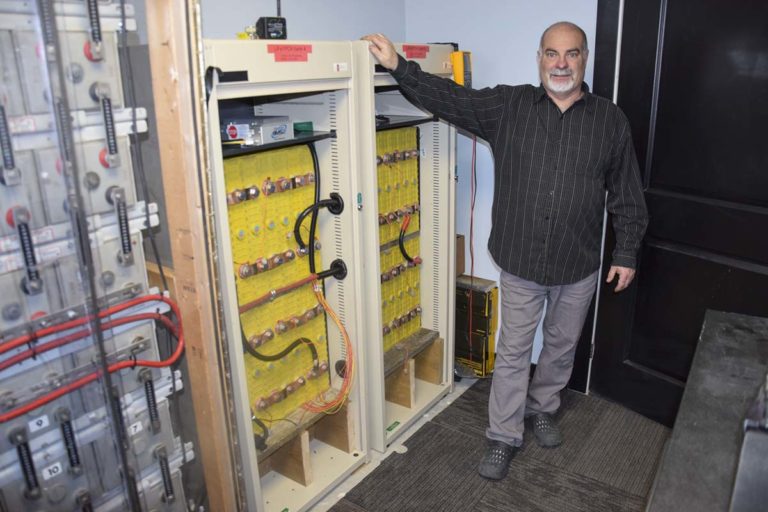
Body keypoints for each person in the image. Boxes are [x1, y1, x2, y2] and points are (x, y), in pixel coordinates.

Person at [364, 22, 648, 481]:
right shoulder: (509, 105)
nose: (561, 64)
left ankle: (542, 409)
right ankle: (502, 436)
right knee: (515, 349)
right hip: (520, 259)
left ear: (585, 58)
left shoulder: (610, 121)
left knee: (560, 346)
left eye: (571, 54)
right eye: (552, 54)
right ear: (539, 58)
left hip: (577, 264)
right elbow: (450, 98)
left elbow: (627, 194)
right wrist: (399, 66)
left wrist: (627, 251)